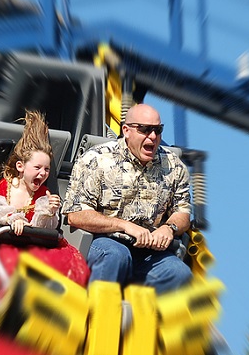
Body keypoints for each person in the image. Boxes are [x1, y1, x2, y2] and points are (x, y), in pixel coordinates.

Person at [62, 103, 192, 294]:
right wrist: (124, 226)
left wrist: (169, 228)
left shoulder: (174, 166)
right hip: (105, 242)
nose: (153, 137)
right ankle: (98, 316)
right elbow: (75, 214)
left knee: (178, 273)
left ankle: (144, 320)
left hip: (150, 252)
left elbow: (183, 212)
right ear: (126, 130)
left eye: (158, 130)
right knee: (116, 255)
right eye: (145, 130)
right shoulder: (97, 159)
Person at [0, 110, 90, 291]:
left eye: (46, 169)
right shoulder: (5, 187)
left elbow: (46, 228)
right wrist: (14, 219)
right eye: (37, 168)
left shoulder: (44, 193)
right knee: (15, 266)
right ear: (20, 166)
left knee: (58, 266)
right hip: (10, 243)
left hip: (35, 245)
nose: (42, 173)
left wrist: (49, 212)